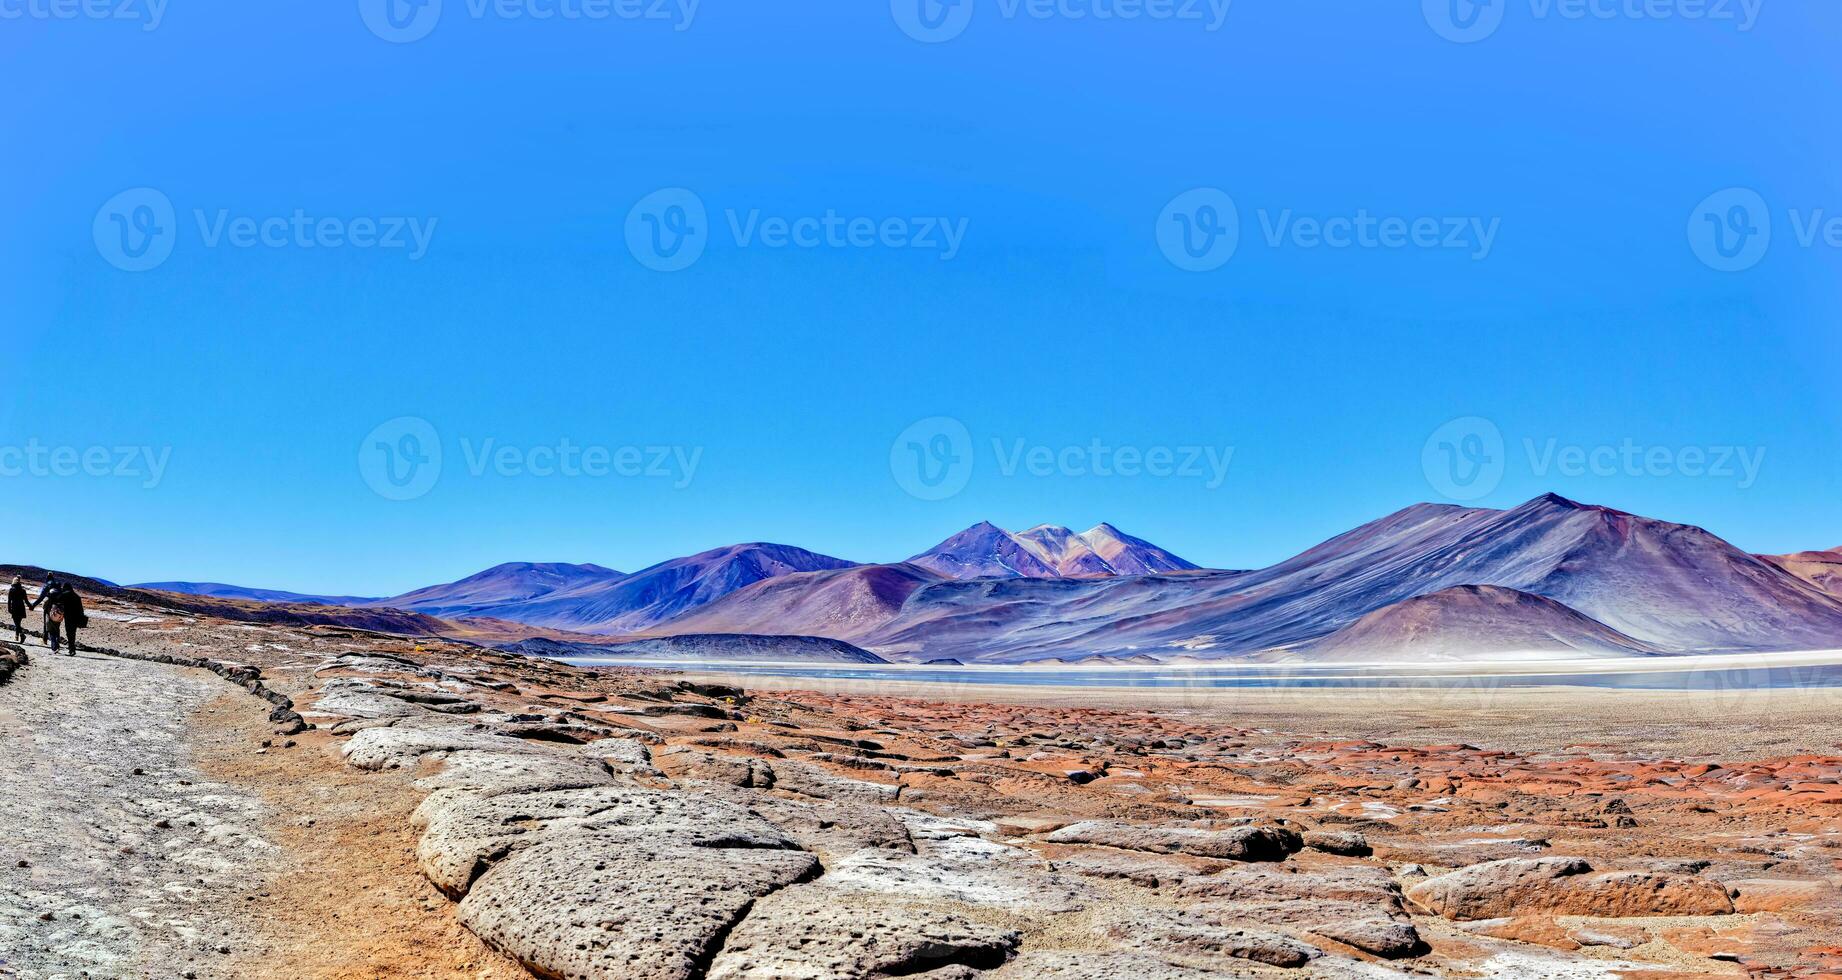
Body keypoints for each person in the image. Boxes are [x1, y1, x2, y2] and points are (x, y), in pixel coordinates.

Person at [6, 576, 26, 643]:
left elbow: (9, 601)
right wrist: (31, 606)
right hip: (21, 608)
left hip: (14, 608)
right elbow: (26, 600)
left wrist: (9, 609)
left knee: (17, 623)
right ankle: (17, 636)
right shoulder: (23, 590)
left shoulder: (11, 590)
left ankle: (22, 635)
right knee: (18, 623)